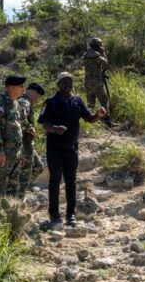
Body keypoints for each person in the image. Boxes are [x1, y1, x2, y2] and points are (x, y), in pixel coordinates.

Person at [39, 72, 106, 226]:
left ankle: (71, 215)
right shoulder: (51, 102)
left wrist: (99, 114)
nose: (67, 85)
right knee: (55, 181)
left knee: (71, 182)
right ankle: (54, 214)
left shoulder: (77, 100)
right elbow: (44, 124)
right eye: (64, 82)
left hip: (71, 148)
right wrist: (55, 129)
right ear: (58, 84)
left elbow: (89, 119)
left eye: (70, 82)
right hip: (54, 149)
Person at [0, 75, 31, 203]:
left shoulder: (17, 104)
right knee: (1, 188)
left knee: (14, 187)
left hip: (16, 154)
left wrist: (22, 153)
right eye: (21, 86)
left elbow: (19, 129)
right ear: (11, 88)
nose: (23, 89)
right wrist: (0, 151)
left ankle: (10, 219)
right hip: (4, 154)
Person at [17, 82, 46, 197]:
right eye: (39, 97)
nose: (38, 100)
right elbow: (19, 117)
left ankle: (18, 188)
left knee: (38, 167)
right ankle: (17, 197)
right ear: (34, 93)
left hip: (27, 144)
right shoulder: (25, 102)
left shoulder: (23, 101)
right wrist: (30, 128)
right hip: (23, 144)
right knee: (25, 174)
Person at [83, 37, 112, 125]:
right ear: (98, 46)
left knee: (90, 102)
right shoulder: (96, 55)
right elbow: (105, 63)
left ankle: (90, 122)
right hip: (96, 81)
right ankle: (106, 120)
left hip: (87, 82)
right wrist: (103, 54)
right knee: (103, 100)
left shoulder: (86, 55)